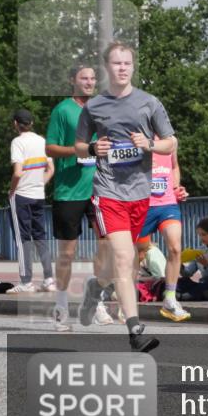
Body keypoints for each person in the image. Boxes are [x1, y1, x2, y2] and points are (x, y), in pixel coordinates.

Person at [74, 41, 176, 352]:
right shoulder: (94, 106)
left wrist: (149, 144)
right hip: (108, 193)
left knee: (118, 266)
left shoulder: (149, 103)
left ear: (132, 66)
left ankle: (95, 288)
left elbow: (171, 142)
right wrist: (93, 148)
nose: (122, 68)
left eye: (127, 63)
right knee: (124, 257)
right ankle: (135, 331)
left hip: (140, 194)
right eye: (116, 63)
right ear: (107, 67)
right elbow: (79, 146)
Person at [45, 65, 115, 329]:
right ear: (72, 81)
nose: (89, 82)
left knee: (107, 245)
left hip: (99, 189)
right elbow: (50, 148)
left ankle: (96, 299)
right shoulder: (63, 110)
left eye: (93, 78)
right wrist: (82, 150)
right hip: (69, 191)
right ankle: (61, 307)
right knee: (67, 253)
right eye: (84, 78)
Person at [135, 140, 191, 321]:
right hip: (142, 205)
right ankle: (125, 298)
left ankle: (170, 299)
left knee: (175, 248)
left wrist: (176, 188)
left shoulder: (171, 140)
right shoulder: (136, 137)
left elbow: (174, 166)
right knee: (138, 254)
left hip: (167, 204)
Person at [6, 109, 55, 294]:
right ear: (32, 123)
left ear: (15, 124)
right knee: (40, 236)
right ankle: (49, 280)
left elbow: (18, 172)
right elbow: (51, 169)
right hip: (38, 195)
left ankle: (26, 281)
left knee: (22, 239)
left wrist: (12, 191)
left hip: (22, 195)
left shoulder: (17, 142)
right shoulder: (42, 141)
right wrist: (40, 183)